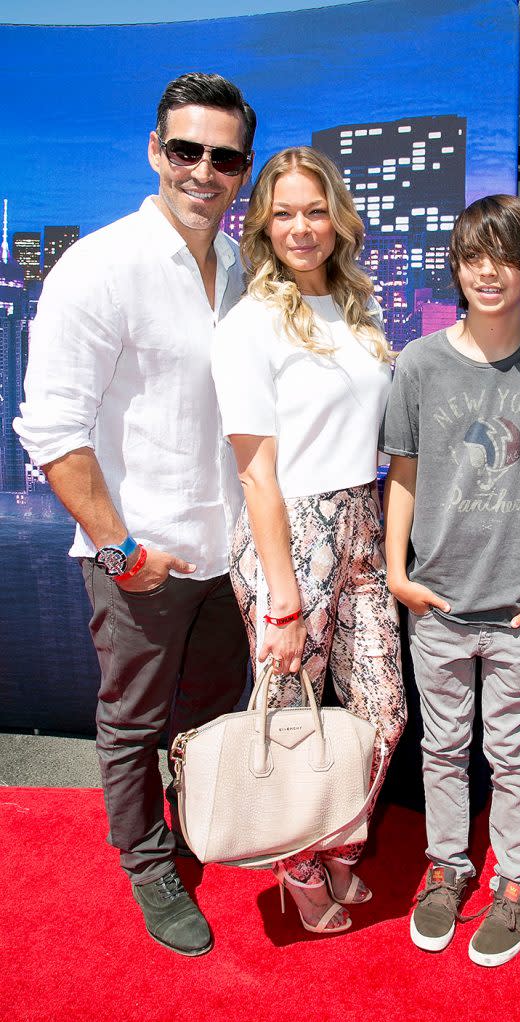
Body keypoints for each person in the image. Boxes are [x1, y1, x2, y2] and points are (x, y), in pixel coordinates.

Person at [14, 72, 257, 957]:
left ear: (243, 169)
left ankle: (197, 821)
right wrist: (121, 549)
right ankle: (146, 859)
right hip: (141, 557)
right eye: (185, 149)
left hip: (229, 551)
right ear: (155, 151)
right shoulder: (101, 265)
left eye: (223, 156)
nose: (203, 169)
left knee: (208, 708)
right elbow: (50, 427)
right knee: (132, 719)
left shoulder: (240, 267)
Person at [380, 194, 520, 966]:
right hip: (435, 602)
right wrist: (396, 573)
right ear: (457, 268)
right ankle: (448, 866)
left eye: (504, 256)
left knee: (510, 752)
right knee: (442, 749)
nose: (487, 272)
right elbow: (401, 475)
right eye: (473, 256)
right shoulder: (418, 363)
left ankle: (517, 879)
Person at [211, 146, 406, 935]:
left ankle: (338, 846)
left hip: (361, 514)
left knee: (383, 710)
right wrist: (282, 594)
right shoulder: (249, 322)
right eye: (284, 211)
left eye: (315, 209)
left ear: (338, 219)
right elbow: (255, 470)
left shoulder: (358, 308)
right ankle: (298, 872)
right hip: (290, 529)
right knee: (292, 713)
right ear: (263, 222)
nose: (301, 226)